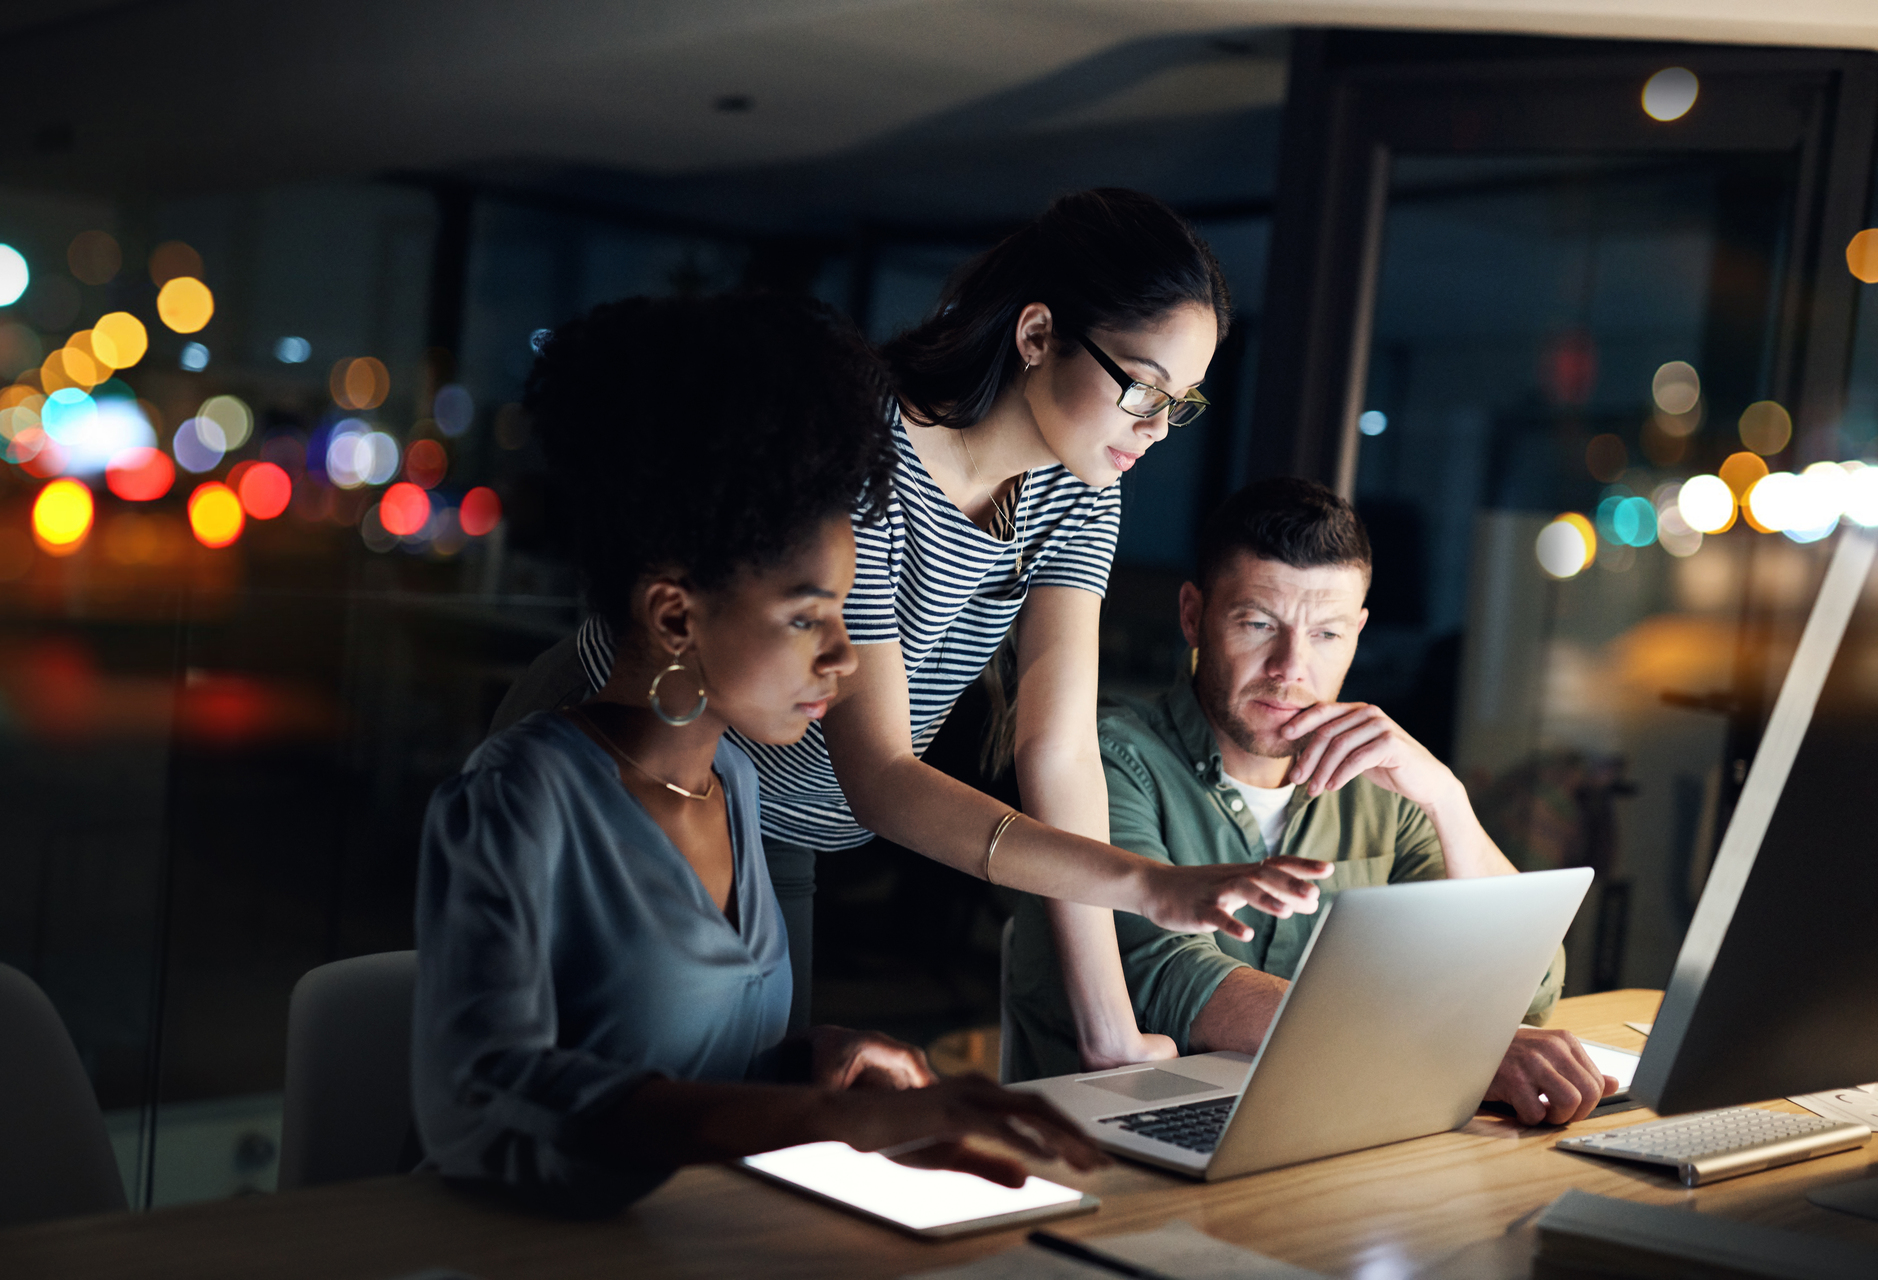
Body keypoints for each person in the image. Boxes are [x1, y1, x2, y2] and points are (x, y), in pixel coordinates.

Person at [490, 189, 1328, 1067]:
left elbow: (1061, 753)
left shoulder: (1083, 490)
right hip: (639, 742)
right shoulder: (861, 449)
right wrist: (1146, 884)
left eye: (1181, 403)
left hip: (784, 813)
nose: (1157, 429)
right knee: (571, 1071)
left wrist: (1108, 1027)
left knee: (750, 1090)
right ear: (1038, 335)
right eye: (1142, 388)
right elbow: (881, 774)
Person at [413, 294, 1104, 1215]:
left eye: (845, 611)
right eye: (805, 617)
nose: (845, 655)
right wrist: (824, 1124)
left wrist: (819, 1067)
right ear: (674, 616)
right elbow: (486, 1104)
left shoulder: (731, 783)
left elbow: (682, 1059)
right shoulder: (518, 800)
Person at [1003, 478, 1619, 1127]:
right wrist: (1436, 1044)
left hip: (1314, 1126)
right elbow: (1163, 976)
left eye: (1326, 634)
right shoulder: (1108, 760)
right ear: (1193, 616)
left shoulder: (1384, 782)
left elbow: (1532, 986)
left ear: (1357, 633)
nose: (1290, 666)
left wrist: (1447, 798)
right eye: (1258, 623)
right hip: (1106, 1142)